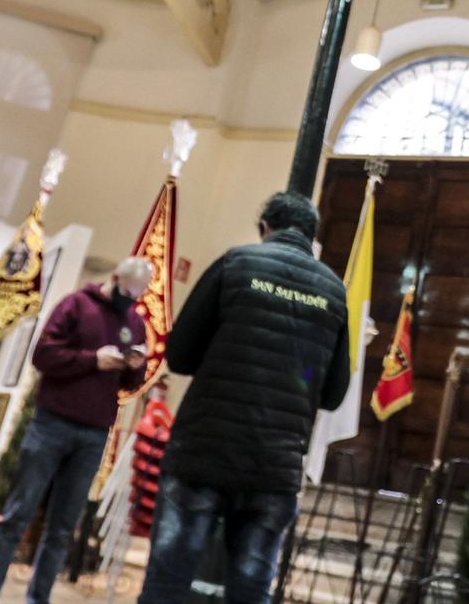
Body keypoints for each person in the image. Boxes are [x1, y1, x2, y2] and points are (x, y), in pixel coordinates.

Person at [137, 193, 350, 604]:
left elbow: (179, 355)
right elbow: (334, 394)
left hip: (203, 454)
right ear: (311, 236)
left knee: (167, 582)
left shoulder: (235, 263)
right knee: (251, 593)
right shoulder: (333, 291)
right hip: (275, 467)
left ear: (266, 228)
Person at [0, 256, 156, 604]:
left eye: (136, 295)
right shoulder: (76, 304)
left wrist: (134, 366)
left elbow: (129, 383)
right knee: (17, 515)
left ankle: (37, 597)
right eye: (127, 291)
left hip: (94, 433)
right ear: (115, 277)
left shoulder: (134, 321)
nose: (130, 300)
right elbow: (43, 355)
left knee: (61, 528)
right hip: (52, 423)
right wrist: (92, 360)